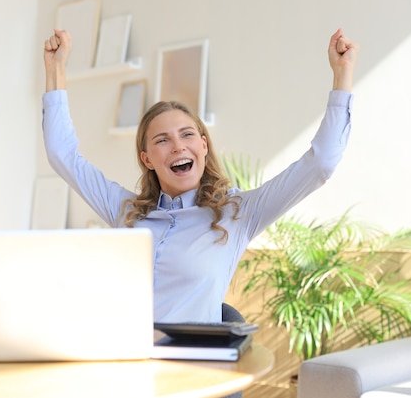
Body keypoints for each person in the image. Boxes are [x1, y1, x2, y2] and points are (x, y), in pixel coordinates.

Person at [42, 28, 359, 323]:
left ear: (203, 146)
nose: (178, 146)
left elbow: (321, 164)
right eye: (162, 140)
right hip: (125, 364)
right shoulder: (125, 211)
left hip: (192, 369)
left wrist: (342, 76)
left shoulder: (238, 213)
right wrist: (55, 70)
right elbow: (63, 155)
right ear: (147, 159)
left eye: (187, 135)